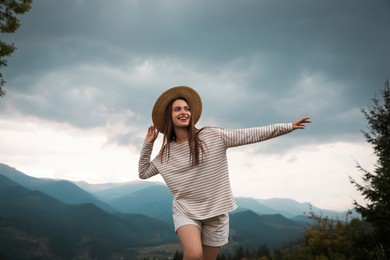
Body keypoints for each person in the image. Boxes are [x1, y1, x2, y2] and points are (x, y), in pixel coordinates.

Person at [138, 86, 310, 260]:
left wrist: (288, 126)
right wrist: (148, 144)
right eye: (177, 109)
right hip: (186, 211)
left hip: (217, 213)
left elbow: (251, 134)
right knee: (194, 255)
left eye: (187, 108)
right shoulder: (166, 154)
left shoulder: (213, 136)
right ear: (170, 116)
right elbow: (143, 172)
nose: (184, 112)